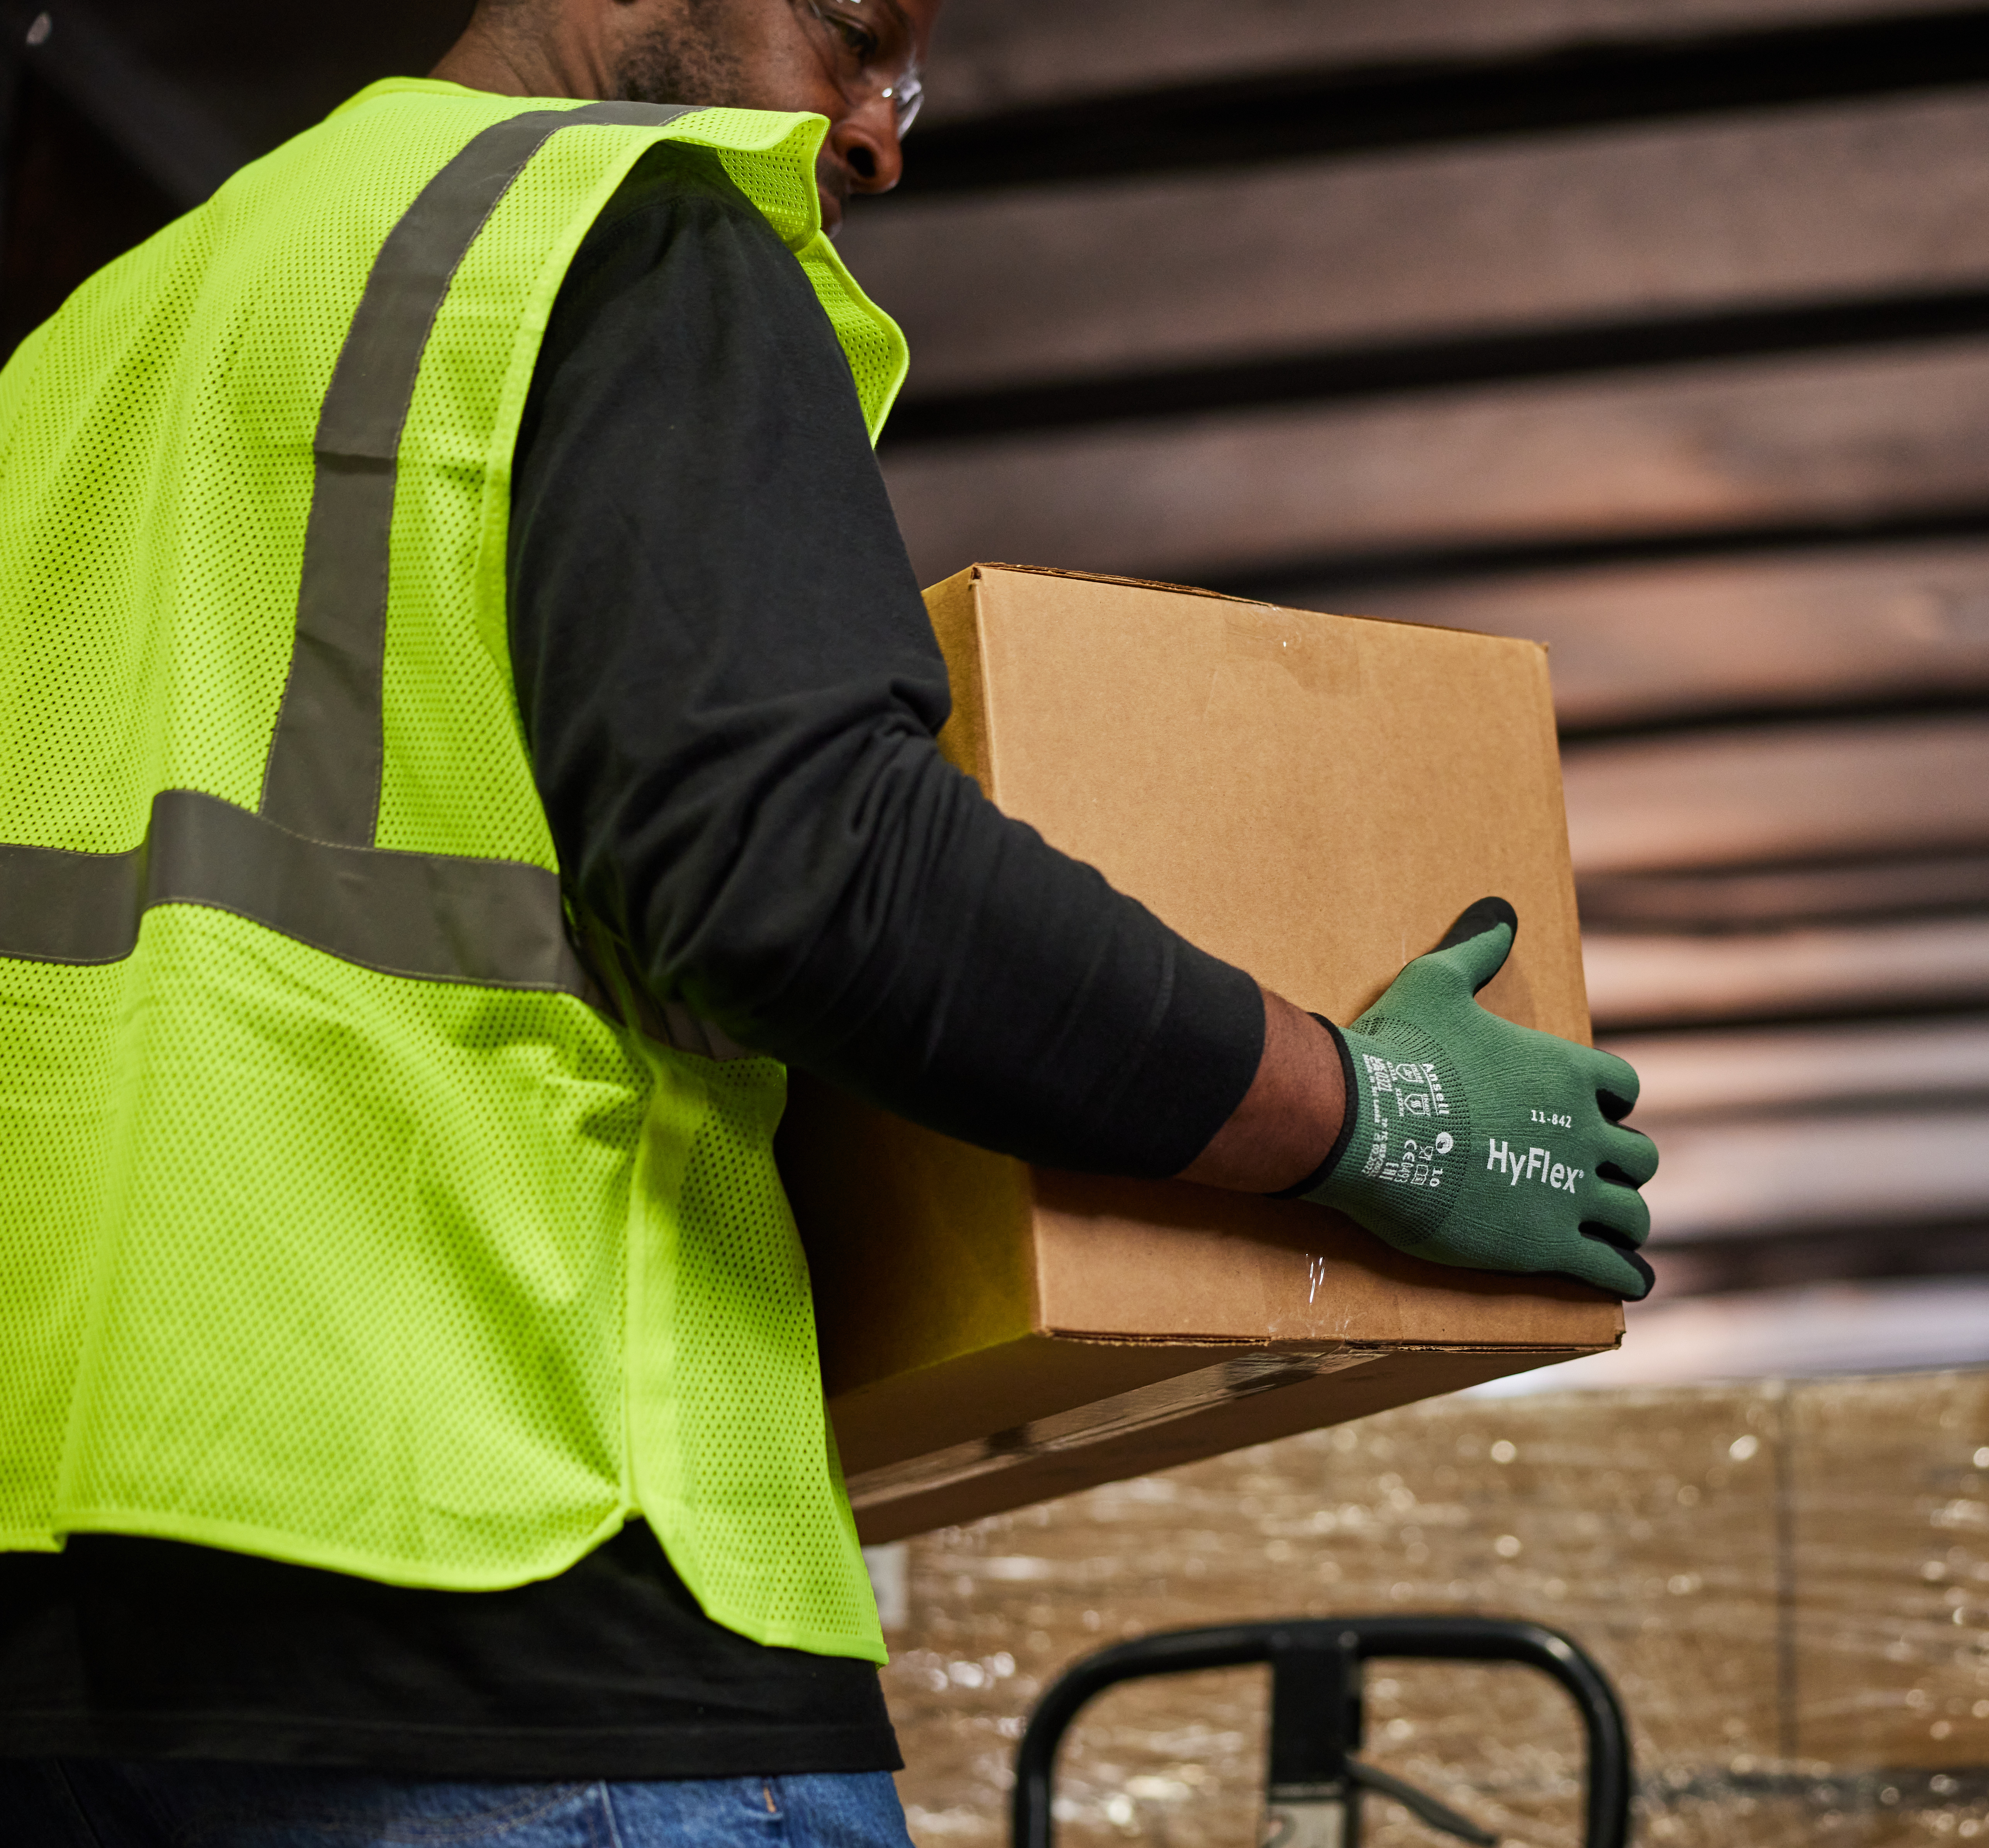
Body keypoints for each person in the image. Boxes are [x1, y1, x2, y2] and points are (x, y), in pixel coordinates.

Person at [0, 0, 1659, 1841]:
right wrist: (1362, 1111)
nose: (878, 134)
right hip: (536, 1599)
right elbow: (802, 872)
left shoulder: (79, 361)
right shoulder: (615, 221)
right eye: (853, 39)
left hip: (73, 1651)